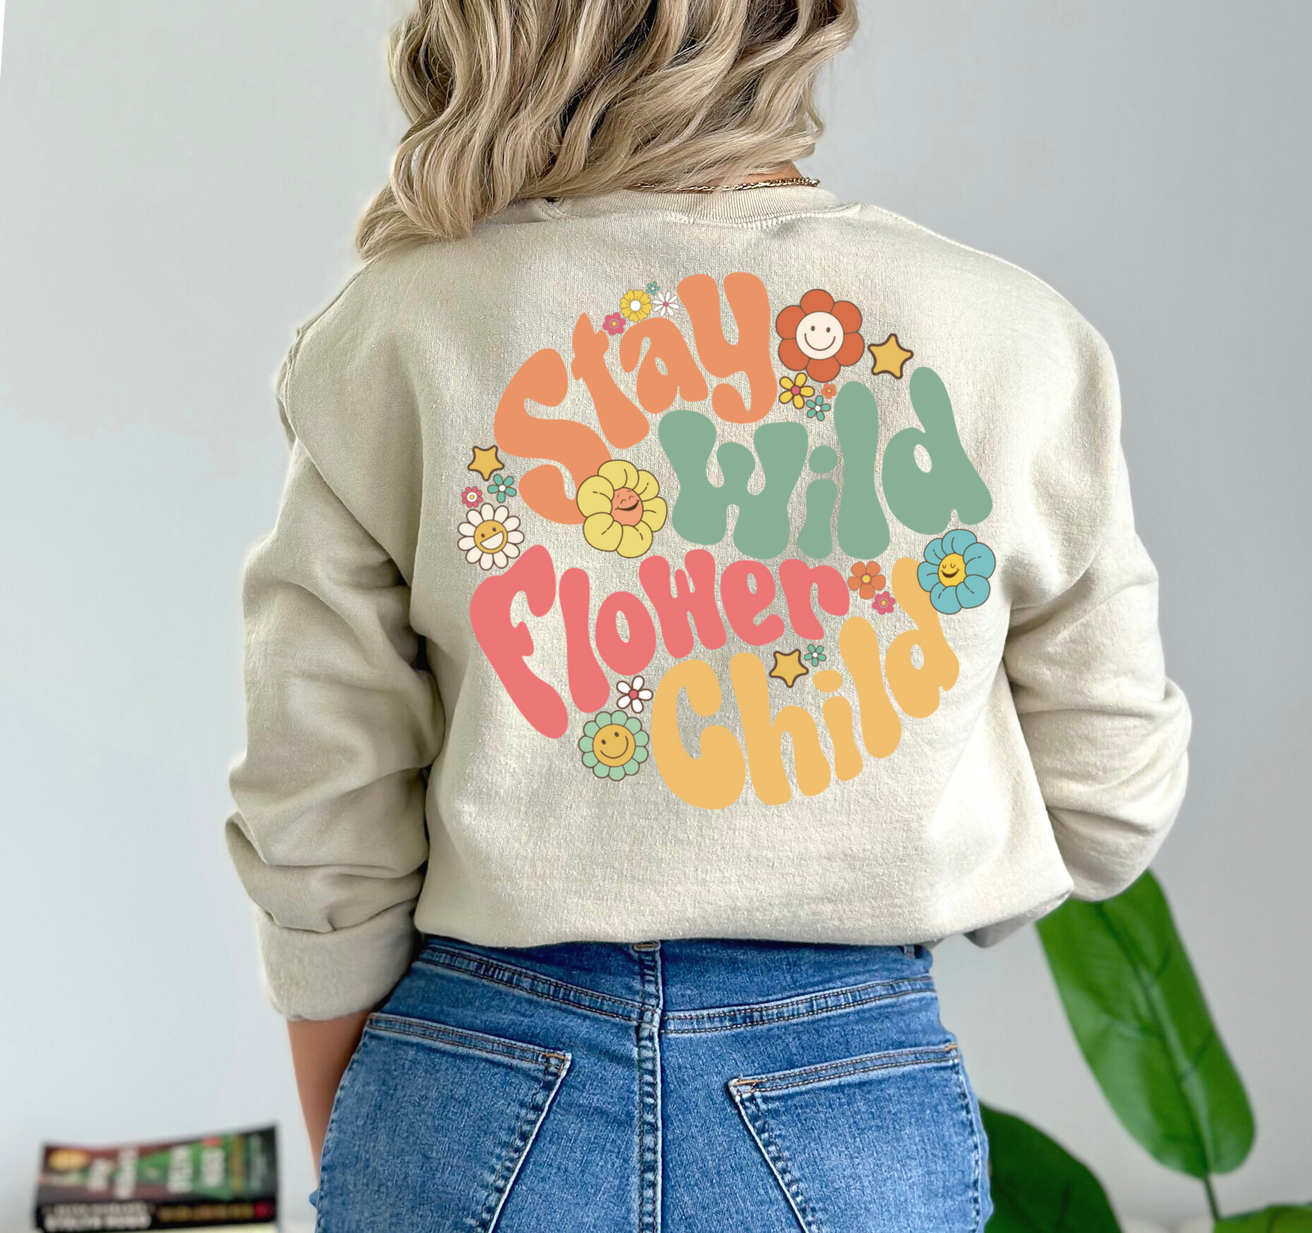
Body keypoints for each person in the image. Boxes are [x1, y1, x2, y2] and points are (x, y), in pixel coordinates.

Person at [226, 1, 1191, 1228]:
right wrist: (897, 838)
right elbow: (1109, 802)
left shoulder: (395, 329)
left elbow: (318, 802)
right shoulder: (1014, 339)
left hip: (467, 1078)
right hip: (847, 1096)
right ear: (801, 22)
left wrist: (371, 1136)